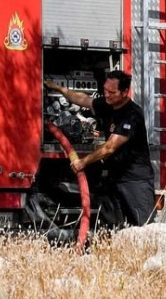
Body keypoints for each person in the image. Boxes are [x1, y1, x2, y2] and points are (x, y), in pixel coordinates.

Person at [44, 70, 156, 227]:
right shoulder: (107, 105)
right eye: (105, 90)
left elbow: (109, 148)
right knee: (111, 226)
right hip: (114, 179)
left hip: (135, 181)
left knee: (144, 227)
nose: (107, 95)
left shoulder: (132, 114)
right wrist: (57, 88)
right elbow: (83, 99)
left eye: (112, 92)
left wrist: (83, 162)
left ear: (125, 92)